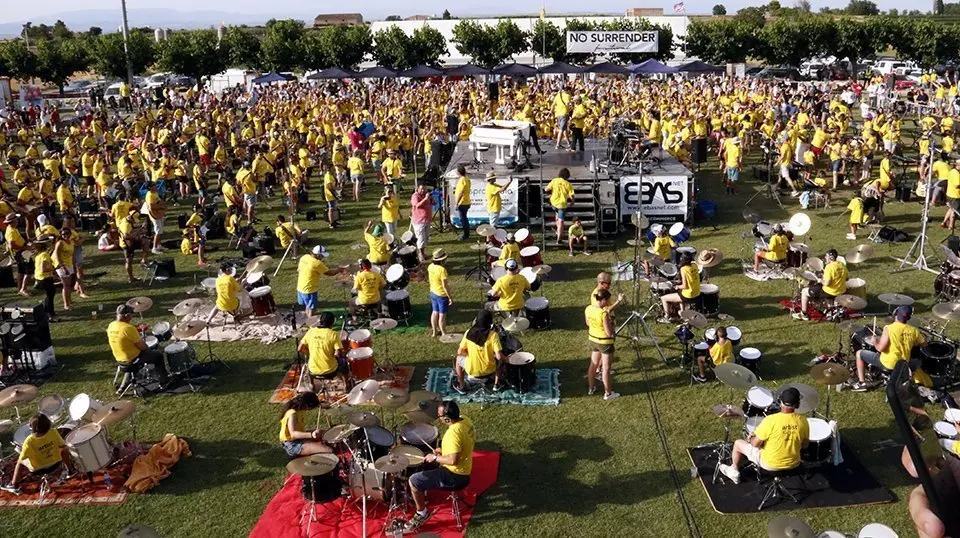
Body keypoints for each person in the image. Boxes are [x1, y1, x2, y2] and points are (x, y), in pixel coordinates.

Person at [404, 400, 475, 533]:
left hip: (456, 476)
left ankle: (422, 512)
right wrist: (442, 451)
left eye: (440, 416)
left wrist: (435, 457)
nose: (439, 418)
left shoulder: (453, 434)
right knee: (426, 467)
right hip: (465, 467)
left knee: (414, 480)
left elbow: (453, 460)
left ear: (447, 418)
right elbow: (460, 447)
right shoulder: (465, 420)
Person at [719, 387, 809, 484]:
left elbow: (755, 444)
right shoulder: (803, 421)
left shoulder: (771, 420)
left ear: (780, 401)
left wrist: (751, 438)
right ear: (798, 404)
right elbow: (805, 445)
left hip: (770, 464)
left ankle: (734, 471)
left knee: (738, 443)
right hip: (794, 463)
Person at [852, 305, 927, 391]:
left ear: (895, 314)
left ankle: (862, 383)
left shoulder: (889, 328)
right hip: (903, 364)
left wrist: (875, 342)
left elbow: (880, 349)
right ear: (909, 318)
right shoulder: (914, 331)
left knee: (859, 353)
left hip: (889, 363)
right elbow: (924, 344)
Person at [3, 414, 71, 493]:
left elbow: (22, 458)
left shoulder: (29, 441)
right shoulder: (53, 432)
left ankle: (13, 484)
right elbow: (62, 446)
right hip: (56, 463)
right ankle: (70, 470)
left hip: (37, 470)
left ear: (32, 428)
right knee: (64, 449)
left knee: (19, 462)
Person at [108, 303, 169, 385]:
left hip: (119, 358)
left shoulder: (111, 325)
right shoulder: (128, 328)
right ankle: (163, 381)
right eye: (131, 315)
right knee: (158, 356)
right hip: (131, 359)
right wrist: (147, 347)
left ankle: (125, 383)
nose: (132, 317)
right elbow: (143, 347)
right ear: (127, 315)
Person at [453, 310, 503, 393]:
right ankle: (496, 384)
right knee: (501, 361)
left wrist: (468, 354)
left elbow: (460, 351)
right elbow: (499, 356)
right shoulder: (493, 335)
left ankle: (461, 386)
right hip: (490, 369)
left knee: (458, 359)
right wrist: (505, 359)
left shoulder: (468, 332)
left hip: (471, 369)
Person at [793, 249, 847, 321]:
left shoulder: (829, 267)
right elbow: (847, 278)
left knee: (804, 291)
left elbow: (826, 284)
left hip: (830, 292)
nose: (825, 257)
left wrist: (820, 280)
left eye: (826, 256)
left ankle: (804, 314)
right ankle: (830, 307)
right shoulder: (842, 265)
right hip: (840, 290)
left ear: (830, 257)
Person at [298, 312, 348, 389]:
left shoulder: (311, 331)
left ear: (320, 321)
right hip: (330, 370)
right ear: (332, 323)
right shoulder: (333, 334)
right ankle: (346, 385)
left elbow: (300, 348)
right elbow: (338, 354)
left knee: (309, 363)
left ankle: (312, 385)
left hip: (313, 370)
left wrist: (310, 353)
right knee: (344, 363)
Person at [585, 289, 619, 401]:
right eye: (607, 300)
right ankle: (608, 393)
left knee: (593, 365)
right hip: (604, 342)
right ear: (603, 300)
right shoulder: (603, 313)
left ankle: (591, 388)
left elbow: (588, 323)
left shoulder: (588, 308)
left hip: (593, 340)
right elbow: (609, 332)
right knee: (606, 369)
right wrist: (613, 328)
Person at [278, 392, 331, 457]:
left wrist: (326, 405)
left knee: (325, 433)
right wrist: (311, 435)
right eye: (310, 408)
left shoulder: (300, 407)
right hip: (292, 444)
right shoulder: (292, 414)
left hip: (300, 435)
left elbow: (318, 405)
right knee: (328, 450)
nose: (309, 410)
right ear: (306, 405)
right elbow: (293, 434)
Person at [659, 253, 700, 322]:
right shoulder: (694, 265)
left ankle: (667, 317)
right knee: (679, 293)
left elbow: (684, 286)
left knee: (663, 298)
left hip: (688, 295)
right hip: (697, 292)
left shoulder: (683, 269)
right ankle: (683, 314)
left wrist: (677, 286)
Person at [118, 208, 148, 283]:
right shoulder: (126, 225)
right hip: (126, 244)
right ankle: (131, 278)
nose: (134, 221)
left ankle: (144, 260)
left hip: (130, 241)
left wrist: (140, 226)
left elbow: (133, 227)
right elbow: (126, 236)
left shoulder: (127, 219)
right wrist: (138, 232)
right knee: (129, 261)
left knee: (146, 241)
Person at [428, 248, 453, 338]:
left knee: (434, 312)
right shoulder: (442, 270)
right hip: (441, 295)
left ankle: (434, 332)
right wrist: (450, 297)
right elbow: (445, 286)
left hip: (433, 292)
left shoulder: (430, 266)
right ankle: (443, 333)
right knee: (442, 315)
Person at [545, 168, 574, 244]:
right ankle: (559, 237)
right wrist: (572, 202)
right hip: (562, 204)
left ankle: (558, 230)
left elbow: (546, 189)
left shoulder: (554, 180)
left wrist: (549, 190)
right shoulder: (568, 184)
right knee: (561, 221)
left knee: (557, 215)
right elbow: (571, 195)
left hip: (553, 203)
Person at [5, 213, 31, 296]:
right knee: (29, 271)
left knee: (21, 271)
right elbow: (12, 245)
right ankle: (24, 289)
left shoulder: (12, 228)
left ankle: (20, 289)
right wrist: (24, 248)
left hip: (19, 252)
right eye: (16, 219)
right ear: (12, 221)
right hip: (20, 253)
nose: (17, 220)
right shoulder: (11, 231)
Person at [33, 236, 57, 321]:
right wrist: (55, 268)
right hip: (45, 278)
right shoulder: (44, 254)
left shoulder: (39, 254)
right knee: (50, 296)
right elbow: (44, 269)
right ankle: (49, 313)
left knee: (49, 296)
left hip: (39, 278)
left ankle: (49, 312)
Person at [410, 183, 433, 263]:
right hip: (419, 221)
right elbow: (417, 205)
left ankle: (423, 252)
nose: (423, 190)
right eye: (421, 189)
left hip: (427, 220)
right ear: (418, 189)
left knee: (425, 238)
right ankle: (420, 255)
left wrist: (430, 198)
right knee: (420, 238)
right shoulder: (415, 196)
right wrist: (425, 199)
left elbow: (434, 203)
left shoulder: (426, 196)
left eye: (425, 189)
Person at [144, 181, 166, 255]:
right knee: (158, 231)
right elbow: (151, 207)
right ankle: (154, 248)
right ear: (149, 187)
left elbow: (158, 201)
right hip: (155, 215)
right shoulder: (150, 195)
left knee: (161, 231)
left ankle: (159, 245)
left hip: (159, 213)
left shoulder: (155, 193)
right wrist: (160, 207)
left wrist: (162, 205)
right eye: (153, 185)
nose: (155, 186)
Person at [453, 165, 471, 240]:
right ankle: (466, 233)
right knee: (464, 218)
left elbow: (461, 192)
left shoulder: (462, 180)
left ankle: (466, 235)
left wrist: (456, 203)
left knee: (463, 219)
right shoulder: (467, 178)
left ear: (458, 172)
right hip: (466, 201)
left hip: (462, 202)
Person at [941, 159, 960, 233]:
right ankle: (951, 225)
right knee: (954, 211)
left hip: (949, 194)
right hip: (955, 195)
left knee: (951, 209)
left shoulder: (952, 171)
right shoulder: (957, 174)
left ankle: (944, 222)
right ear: (958, 165)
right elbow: (957, 185)